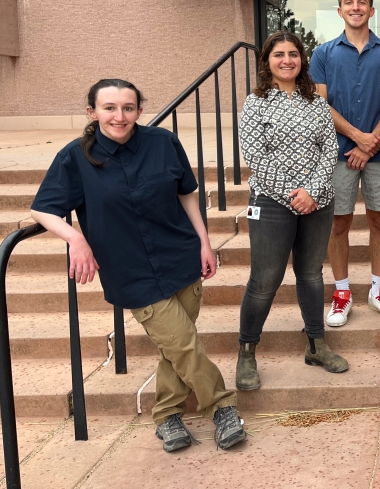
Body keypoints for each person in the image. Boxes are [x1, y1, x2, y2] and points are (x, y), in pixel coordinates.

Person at [30, 79, 247, 453]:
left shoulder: (163, 143)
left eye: (127, 108)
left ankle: (166, 416)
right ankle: (222, 406)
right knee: (182, 343)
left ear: (139, 110)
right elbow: (42, 208)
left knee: (176, 347)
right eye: (109, 108)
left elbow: (187, 196)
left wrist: (205, 244)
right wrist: (76, 239)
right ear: (92, 112)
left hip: (181, 257)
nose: (119, 116)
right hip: (129, 270)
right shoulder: (74, 157)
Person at [236, 32, 348, 390]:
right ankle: (247, 351)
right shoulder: (255, 103)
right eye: (279, 54)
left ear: (302, 60)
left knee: (311, 274)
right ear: (267, 61)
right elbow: (255, 155)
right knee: (265, 278)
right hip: (271, 202)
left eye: (294, 54)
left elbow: (330, 149)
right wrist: (291, 194)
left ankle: (316, 344)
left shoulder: (315, 101)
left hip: (318, 201)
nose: (287, 60)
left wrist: (311, 192)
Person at [310, 0, 380, 326]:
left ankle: (378, 289)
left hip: (379, 153)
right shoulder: (323, 54)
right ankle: (342, 292)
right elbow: (320, 103)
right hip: (338, 154)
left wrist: (372, 142)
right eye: (348, 2)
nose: (355, 7)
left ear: (371, 10)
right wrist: (356, 139)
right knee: (339, 224)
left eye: (362, 2)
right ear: (340, 11)